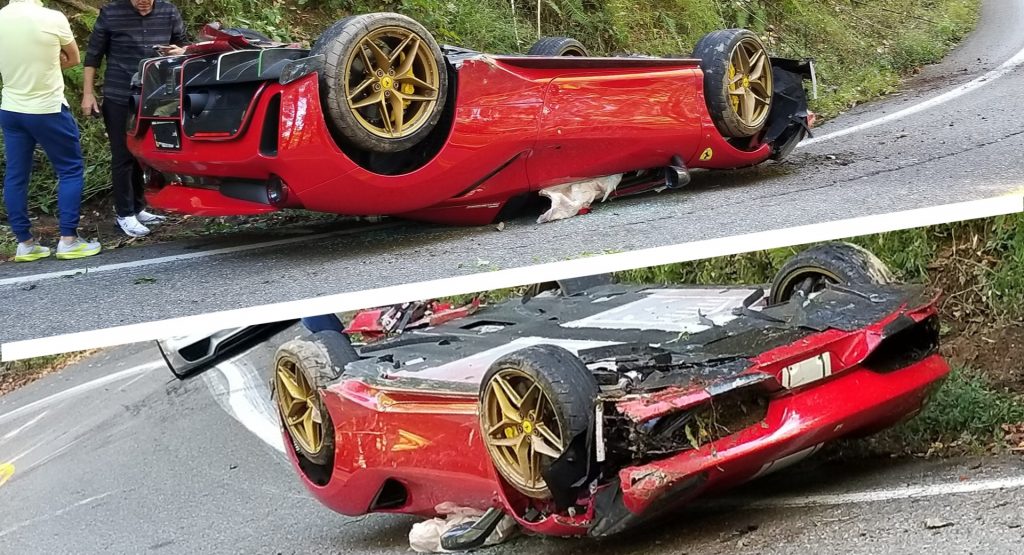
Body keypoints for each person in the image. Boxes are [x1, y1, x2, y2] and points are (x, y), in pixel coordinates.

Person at [0, 0, 102, 262]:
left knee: (16, 175)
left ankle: (25, 244)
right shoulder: (51, 18)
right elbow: (74, 59)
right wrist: (46, 64)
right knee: (70, 170)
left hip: (11, 109)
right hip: (47, 108)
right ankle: (68, 240)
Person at [83, 0, 187, 238]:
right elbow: (92, 57)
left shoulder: (168, 11)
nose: (143, 2)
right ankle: (124, 214)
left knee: (143, 153)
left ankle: (139, 208)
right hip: (119, 94)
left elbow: (184, 45)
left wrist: (179, 51)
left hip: (155, 94)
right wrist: (88, 94)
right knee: (122, 154)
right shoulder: (110, 13)